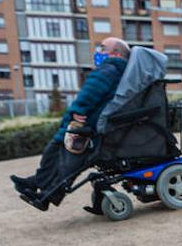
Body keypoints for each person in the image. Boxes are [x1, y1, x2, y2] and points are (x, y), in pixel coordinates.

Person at [11, 38, 131, 210]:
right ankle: (36, 184)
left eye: (103, 48)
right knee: (56, 155)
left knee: (61, 157)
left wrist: (76, 113)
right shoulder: (120, 72)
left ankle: (45, 193)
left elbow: (87, 97)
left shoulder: (108, 70)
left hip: (83, 125)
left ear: (116, 54)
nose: (98, 52)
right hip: (94, 125)